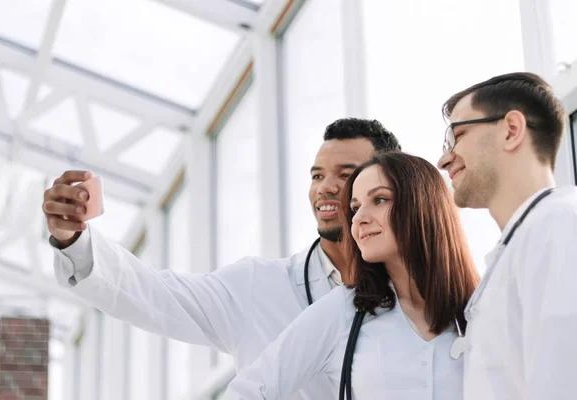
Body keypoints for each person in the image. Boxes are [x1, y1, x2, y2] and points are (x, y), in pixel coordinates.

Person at [42, 118, 401, 400]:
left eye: (345, 174)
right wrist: (74, 239)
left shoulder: (420, 293)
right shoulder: (258, 287)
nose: (325, 187)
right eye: (317, 176)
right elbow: (155, 294)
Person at [223, 152, 480, 400]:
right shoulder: (343, 310)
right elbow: (250, 390)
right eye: (355, 208)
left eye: (379, 200)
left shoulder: (479, 310)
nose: (359, 219)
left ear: (423, 204)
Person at [437, 72, 577, 400]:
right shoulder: (527, 240)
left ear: (511, 130)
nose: (443, 159)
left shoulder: (560, 228)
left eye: (457, 136)